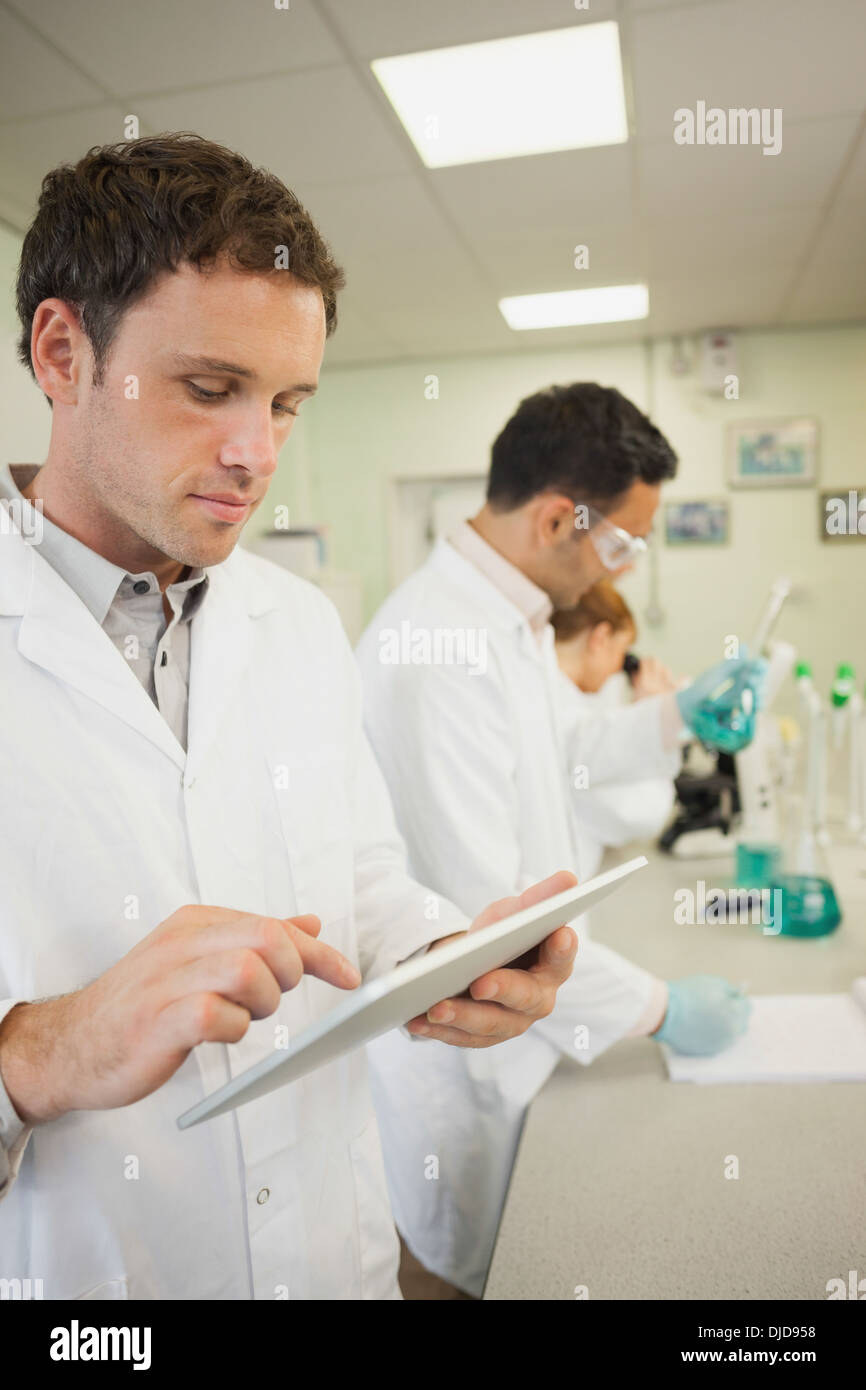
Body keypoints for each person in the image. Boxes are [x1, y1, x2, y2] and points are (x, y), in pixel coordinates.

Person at [0, 134, 581, 1301]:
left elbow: (353, 875)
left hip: (334, 1263)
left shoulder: (299, 623)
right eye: (209, 389)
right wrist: (43, 1052)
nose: (256, 453)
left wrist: (434, 953)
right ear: (62, 353)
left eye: (287, 403)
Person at [357, 383, 760, 1298]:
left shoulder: (512, 621)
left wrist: (672, 715)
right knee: (488, 1275)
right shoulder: (432, 651)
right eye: (619, 542)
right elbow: (482, 917)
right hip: (464, 1064)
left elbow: (569, 749)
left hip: (529, 1040)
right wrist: (659, 1005)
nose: (624, 569)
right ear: (554, 519)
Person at [551, 580, 678, 878]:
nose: (617, 669)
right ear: (601, 637)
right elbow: (644, 814)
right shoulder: (568, 724)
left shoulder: (557, 700)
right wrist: (653, 719)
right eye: (622, 651)